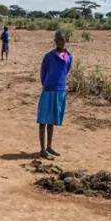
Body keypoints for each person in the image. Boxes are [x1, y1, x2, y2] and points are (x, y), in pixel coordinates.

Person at [37, 30, 72, 159]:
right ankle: (42, 149)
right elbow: (43, 72)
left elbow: (66, 71)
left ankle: (49, 146)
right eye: (58, 40)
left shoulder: (69, 56)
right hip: (48, 90)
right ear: (54, 41)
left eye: (62, 40)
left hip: (59, 91)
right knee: (43, 120)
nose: (60, 42)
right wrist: (46, 84)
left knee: (51, 120)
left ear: (66, 41)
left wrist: (60, 86)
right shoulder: (48, 56)